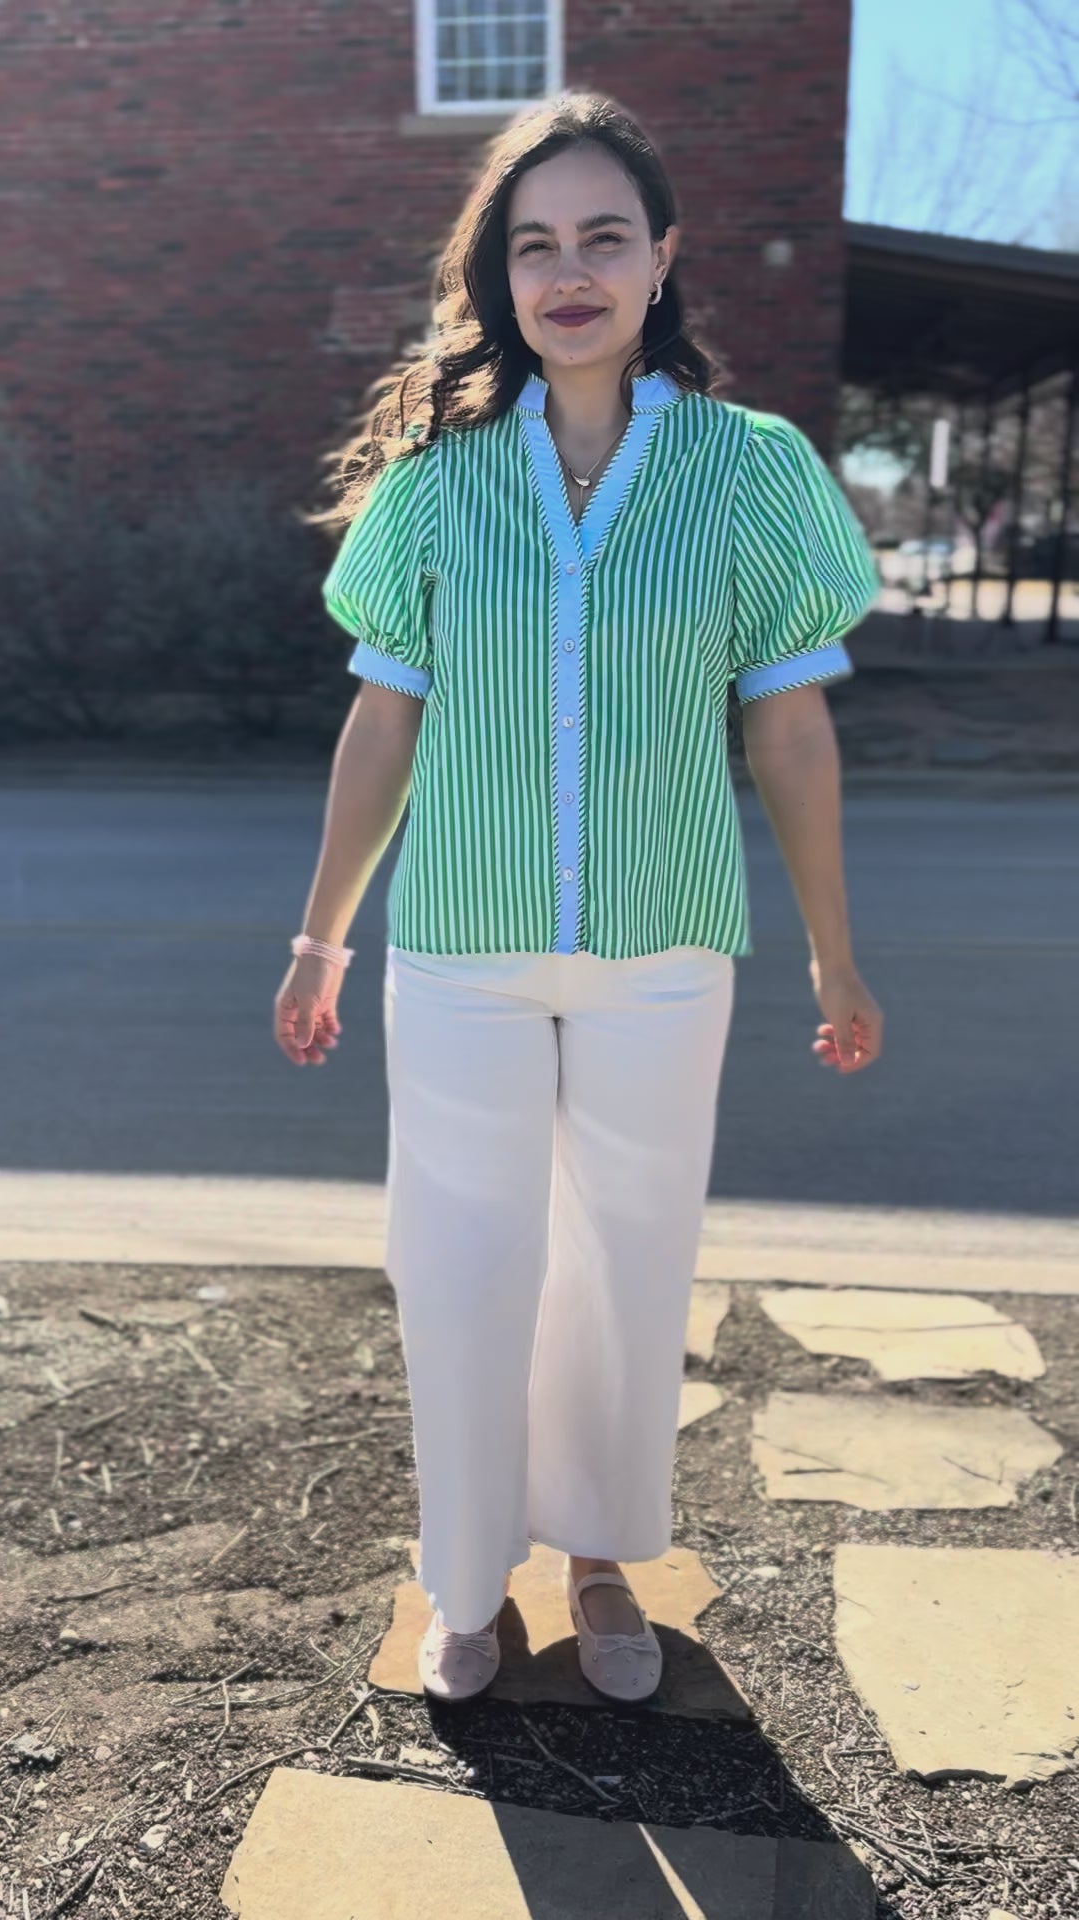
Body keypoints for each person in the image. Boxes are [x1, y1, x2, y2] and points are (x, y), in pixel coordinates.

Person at [275, 91, 884, 1707]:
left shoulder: (755, 474)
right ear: (500, 279)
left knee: (627, 1262)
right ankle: (464, 1581)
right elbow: (384, 721)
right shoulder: (437, 480)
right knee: (463, 1258)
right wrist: (321, 933)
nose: (570, 271)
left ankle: (606, 1559)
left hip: (666, 946)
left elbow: (791, 727)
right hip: (462, 945)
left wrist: (835, 953)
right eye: (534, 244)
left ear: (663, 258)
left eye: (603, 236)